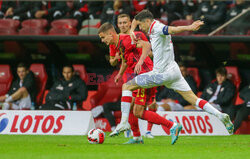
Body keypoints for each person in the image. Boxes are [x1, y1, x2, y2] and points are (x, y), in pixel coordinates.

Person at [110, 9, 233, 140]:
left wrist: (190, 27)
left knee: (127, 87)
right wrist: (132, 31)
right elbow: (135, 20)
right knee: (194, 99)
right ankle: (221, 116)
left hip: (160, 73)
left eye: (141, 25)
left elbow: (173, 30)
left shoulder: (158, 28)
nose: (140, 27)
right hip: (174, 71)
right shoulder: (150, 24)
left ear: (147, 21)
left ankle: (123, 123)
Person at [99, 22, 181, 145]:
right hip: (139, 75)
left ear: (110, 34)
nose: (102, 40)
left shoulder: (128, 39)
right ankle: (136, 137)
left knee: (136, 107)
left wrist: (140, 61)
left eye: (103, 37)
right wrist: (120, 73)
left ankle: (171, 126)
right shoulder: (116, 45)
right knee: (132, 106)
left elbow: (147, 45)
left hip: (146, 73)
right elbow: (126, 60)